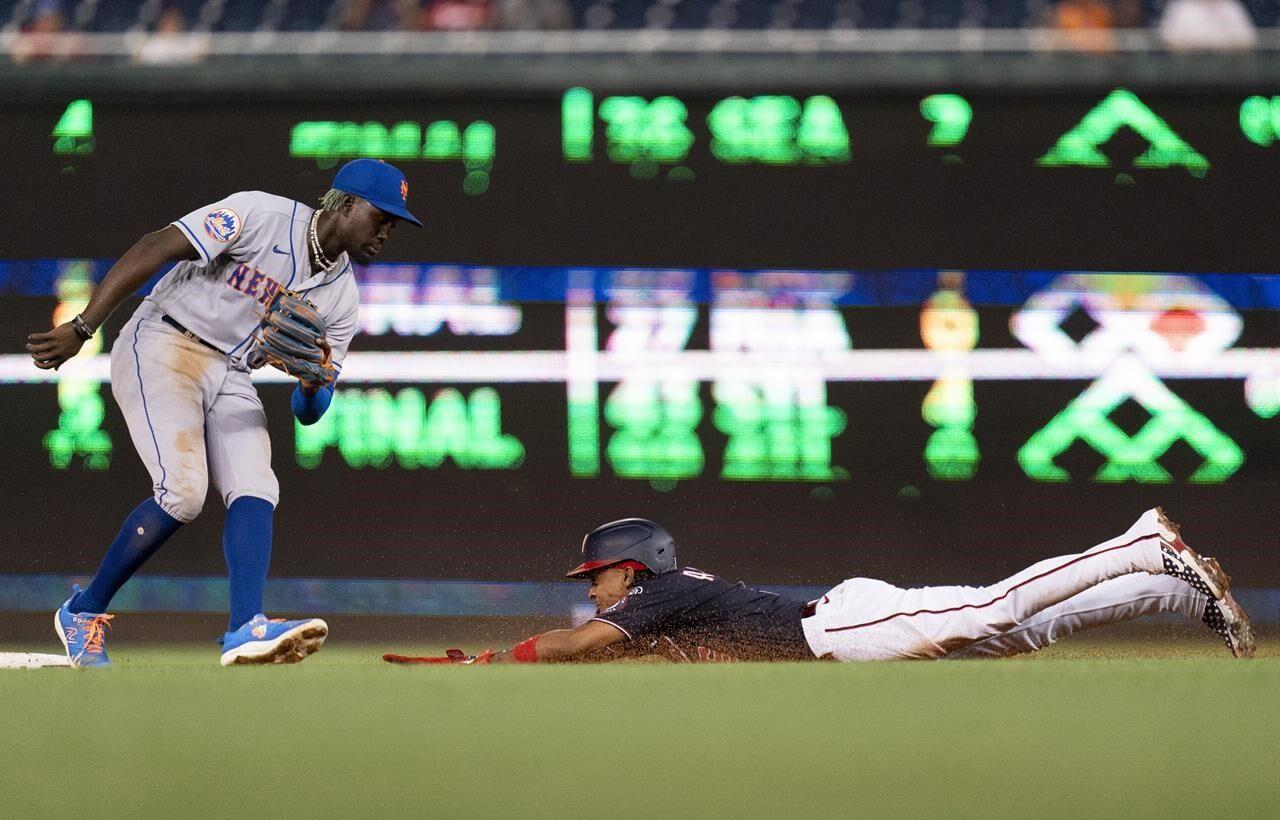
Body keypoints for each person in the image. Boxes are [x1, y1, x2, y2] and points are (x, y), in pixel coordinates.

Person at [27, 159, 422, 668]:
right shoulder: (259, 214)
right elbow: (156, 246)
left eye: (394, 223)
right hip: (165, 340)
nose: (387, 230)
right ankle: (83, 612)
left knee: (258, 485)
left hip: (232, 371)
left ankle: (245, 627)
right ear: (346, 204)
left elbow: (310, 412)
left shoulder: (342, 296)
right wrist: (83, 328)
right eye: (381, 216)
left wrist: (312, 379)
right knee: (184, 492)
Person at [393, 513, 1255, 665]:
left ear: (635, 567)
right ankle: (1179, 595)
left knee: (999, 606)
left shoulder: (658, 595)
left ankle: (1138, 544)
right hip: (843, 628)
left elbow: (581, 644)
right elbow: (595, 654)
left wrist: (497, 656)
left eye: (601, 572)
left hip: (847, 631)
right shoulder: (664, 603)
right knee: (1017, 632)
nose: (596, 586)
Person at [1159, 0, 1257, 51]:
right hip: (1188, 72)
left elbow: (1247, 41)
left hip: (1227, 71)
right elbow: (1168, 41)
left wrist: (1221, 48)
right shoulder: (1181, 8)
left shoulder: (1231, 7)